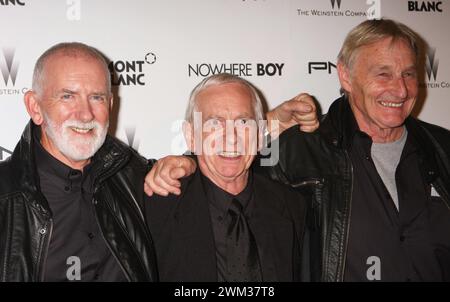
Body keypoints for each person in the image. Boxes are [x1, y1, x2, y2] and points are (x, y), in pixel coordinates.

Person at [264, 19, 450, 281]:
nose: (401, 90)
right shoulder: (298, 151)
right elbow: (222, 181)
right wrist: (265, 127)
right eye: (383, 74)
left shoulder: (443, 148)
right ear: (346, 76)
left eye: (408, 74)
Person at [0, 42, 163, 281]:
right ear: (35, 107)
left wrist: (187, 162)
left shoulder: (132, 176)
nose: (86, 114)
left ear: (110, 105)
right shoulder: (5, 196)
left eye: (96, 97)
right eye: (68, 96)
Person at [145, 73, 308, 281]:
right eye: (214, 123)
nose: (231, 138)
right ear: (190, 136)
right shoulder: (155, 210)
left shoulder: (293, 206)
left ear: (259, 136)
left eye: (243, 122)